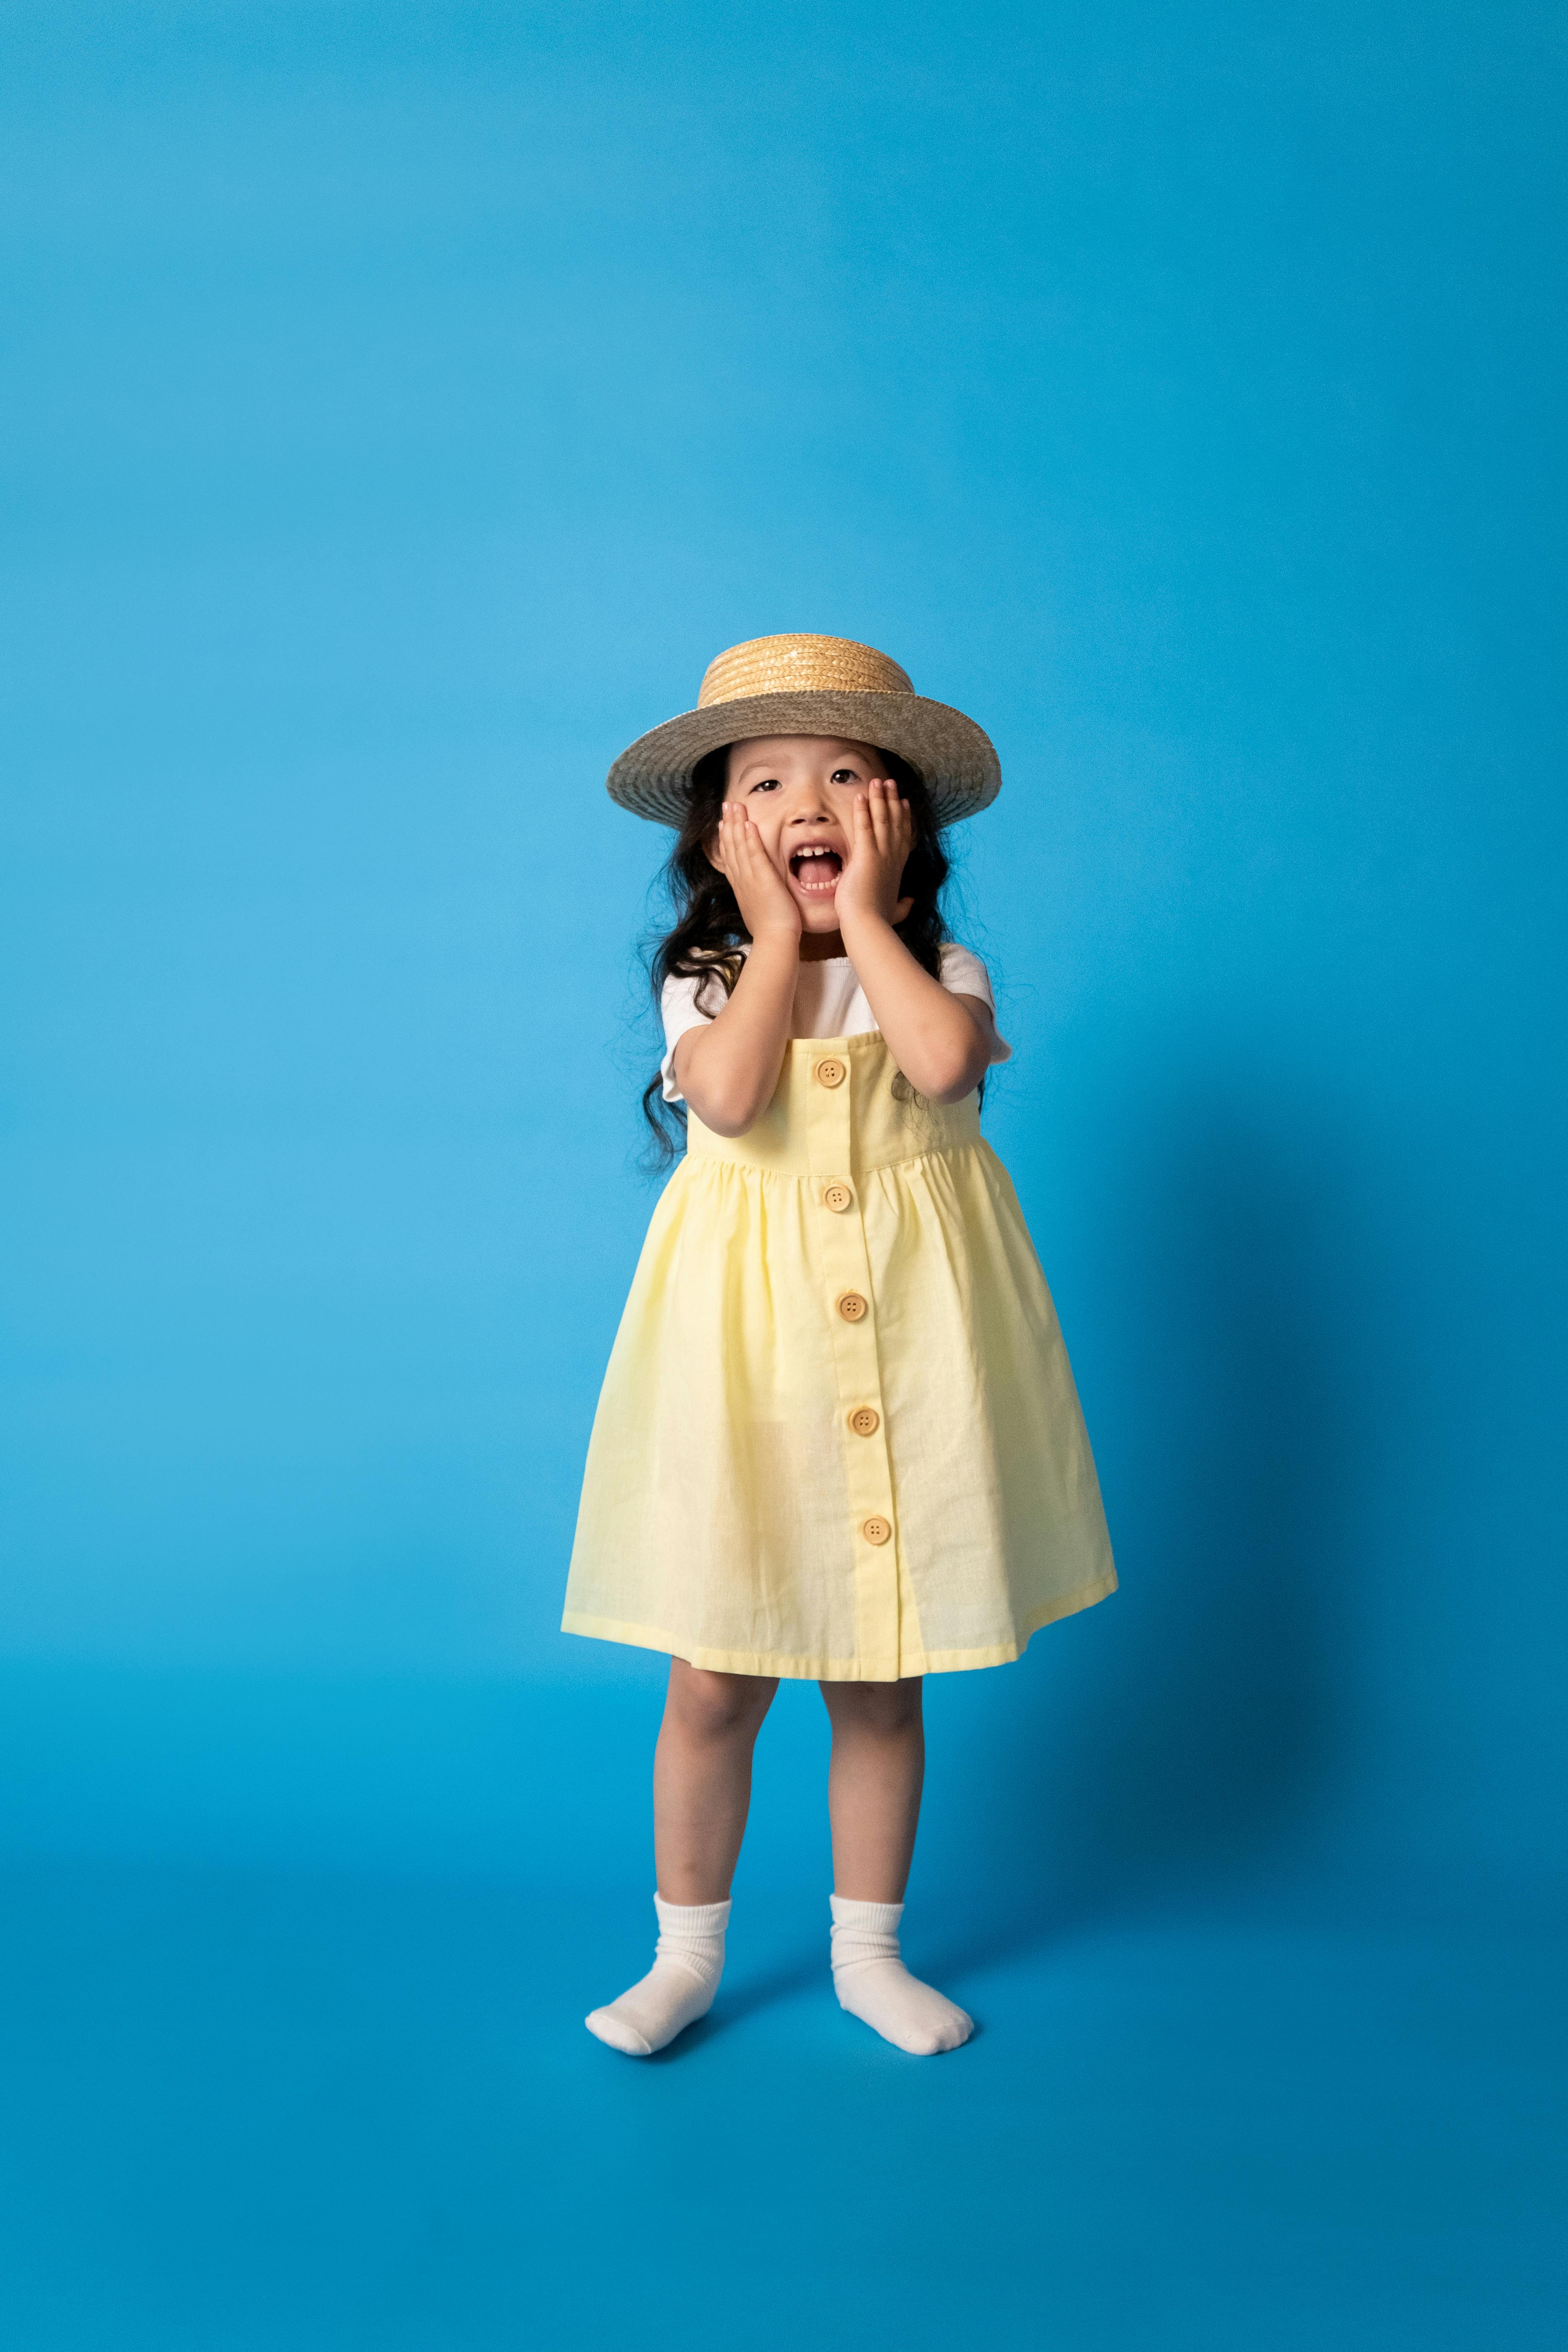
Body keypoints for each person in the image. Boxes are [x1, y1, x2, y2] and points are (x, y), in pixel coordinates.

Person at [563, 634, 1116, 2056]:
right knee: (713, 1676)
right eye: (764, 782)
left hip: (911, 1360)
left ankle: (867, 1952)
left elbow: (938, 1066)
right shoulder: (701, 983)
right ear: (719, 830)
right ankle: (685, 1956)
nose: (806, 803)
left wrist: (864, 919)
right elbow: (735, 1102)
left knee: (879, 1676)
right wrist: (768, 937)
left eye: (846, 776)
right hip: (747, 1371)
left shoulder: (939, 968)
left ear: (900, 817)